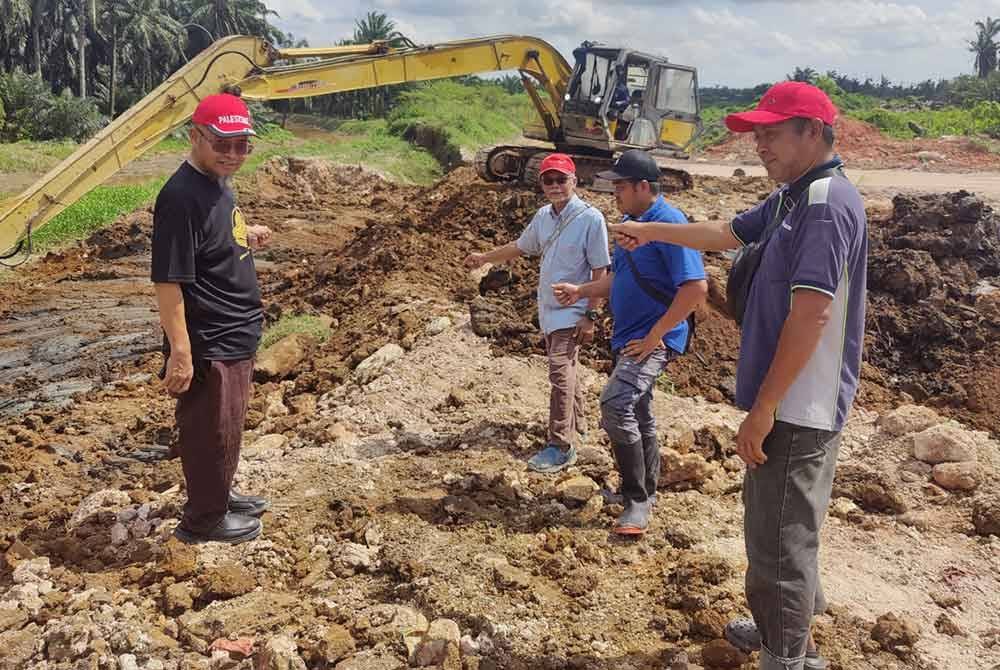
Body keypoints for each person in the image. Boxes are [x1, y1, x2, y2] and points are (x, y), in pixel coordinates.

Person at [609, 82, 868, 670]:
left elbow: (813, 313)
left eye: (772, 134)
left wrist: (764, 408)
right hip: (788, 401)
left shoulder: (825, 202)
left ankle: (787, 657)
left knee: (780, 541)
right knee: (780, 528)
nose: (760, 146)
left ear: (814, 131)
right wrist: (650, 230)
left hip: (799, 405)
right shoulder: (791, 198)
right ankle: (788, 630)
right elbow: (724, 235)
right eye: (756, 135)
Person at [552, 149, 707, 535]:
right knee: (638, 411)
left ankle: (636, 498)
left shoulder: (670, 224)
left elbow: (694, 288)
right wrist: (582, 290)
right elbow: (619, 277)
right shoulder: (630, 223)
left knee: (616, 403)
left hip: (652, 338)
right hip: (630, 335)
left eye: (620, 185)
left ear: (642, 186)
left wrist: (655, 336)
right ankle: (644, 491)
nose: (614, 193)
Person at [151, 93, 273, 545]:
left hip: (236, 330)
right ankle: (203, 520)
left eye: (242, 145)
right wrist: (180, 351)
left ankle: (220, 494)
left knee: (229, 422)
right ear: (195, 137)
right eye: (223, 144)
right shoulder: (180, 197)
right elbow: (168, 282)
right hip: (210, 338)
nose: (233, 154)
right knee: (208, 428)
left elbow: (215, 235)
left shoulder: (218, 183)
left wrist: (246, 232)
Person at [464, 153, 610, 473]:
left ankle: (561, 444)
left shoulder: (591, 218)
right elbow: (520, 246)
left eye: (561, 179)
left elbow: (601, 269)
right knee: (566, 368)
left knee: (559, 372)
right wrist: (484, 258)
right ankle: (579, 423)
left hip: (573, 309)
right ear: (541, 183)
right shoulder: (544, 216)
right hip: (548, 309)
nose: (555, 185)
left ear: (575, 181)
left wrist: (591, 315)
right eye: (549, 180)